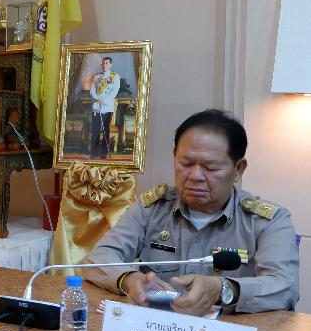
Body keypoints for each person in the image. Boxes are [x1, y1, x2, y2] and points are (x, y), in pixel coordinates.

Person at [85, 109, 299, 315]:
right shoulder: (151, 208)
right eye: (185, 163)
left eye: (210, 167)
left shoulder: (268, 221)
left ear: (238, 169)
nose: (195, 176)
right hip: (156, 328)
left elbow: (285, 287)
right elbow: (97, 259)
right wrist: (131, 280)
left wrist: (222, 289)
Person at [89, 56, 119, 158]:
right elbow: (92, 91)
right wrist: (97, 99)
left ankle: (103, 152)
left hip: (107, 107)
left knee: (106, 130)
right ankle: (94, 152)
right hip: (97, 106)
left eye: (107, 63)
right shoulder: (96, 77)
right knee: (95, 130)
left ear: (111, 64)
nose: (104, 65)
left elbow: (114, 92)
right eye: (103, 63)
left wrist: (104, 101)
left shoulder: (115, 76)